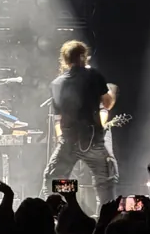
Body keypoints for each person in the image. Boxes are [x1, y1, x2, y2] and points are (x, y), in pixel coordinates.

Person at [40, 40, 117, 210]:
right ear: (83, 57)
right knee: (105, 181)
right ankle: (107, 220)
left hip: (68, 140)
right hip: (92, 140)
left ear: (65, 60)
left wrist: (61, 139)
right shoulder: (94, 76)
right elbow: (107, 103)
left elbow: (58, 117)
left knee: (52, 180)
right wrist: (112, 93)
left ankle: (55, 217)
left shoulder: (56, 84)